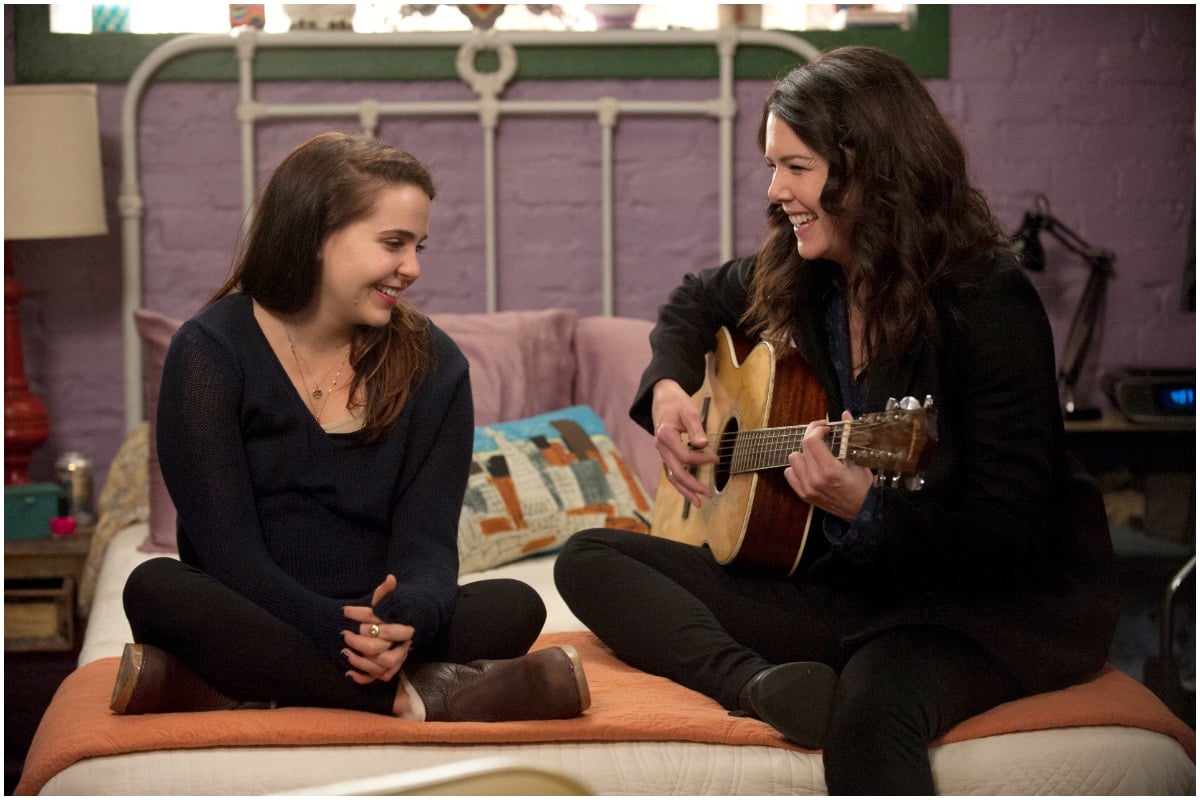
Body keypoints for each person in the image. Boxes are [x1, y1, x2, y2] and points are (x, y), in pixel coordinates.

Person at [553, 46, 1117, 794]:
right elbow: (695, 300)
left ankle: (815, 682)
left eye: (796, 166)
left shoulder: (988, 302)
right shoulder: (810, 275)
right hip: (854, 585)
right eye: (771, 165)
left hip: (983, 607)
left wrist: (864, 507)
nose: (775, 190)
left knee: (870, 712)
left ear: (871, 168)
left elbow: (1008, 533)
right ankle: (757, 686)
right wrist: (667, 388)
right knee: (590, 559)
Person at [113, 132, 589, 723]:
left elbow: (428, 547)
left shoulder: (436, 364)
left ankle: (223, 688)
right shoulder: (210, 352)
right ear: (315, 235)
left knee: (515, 604)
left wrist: (405, 623)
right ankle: (417, 697)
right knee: (157, 589)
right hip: (255, 607)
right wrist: (334, 631)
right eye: (393, 243)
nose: (411, 268)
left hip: (376, 620)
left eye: (418, 246)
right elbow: (226, 553)